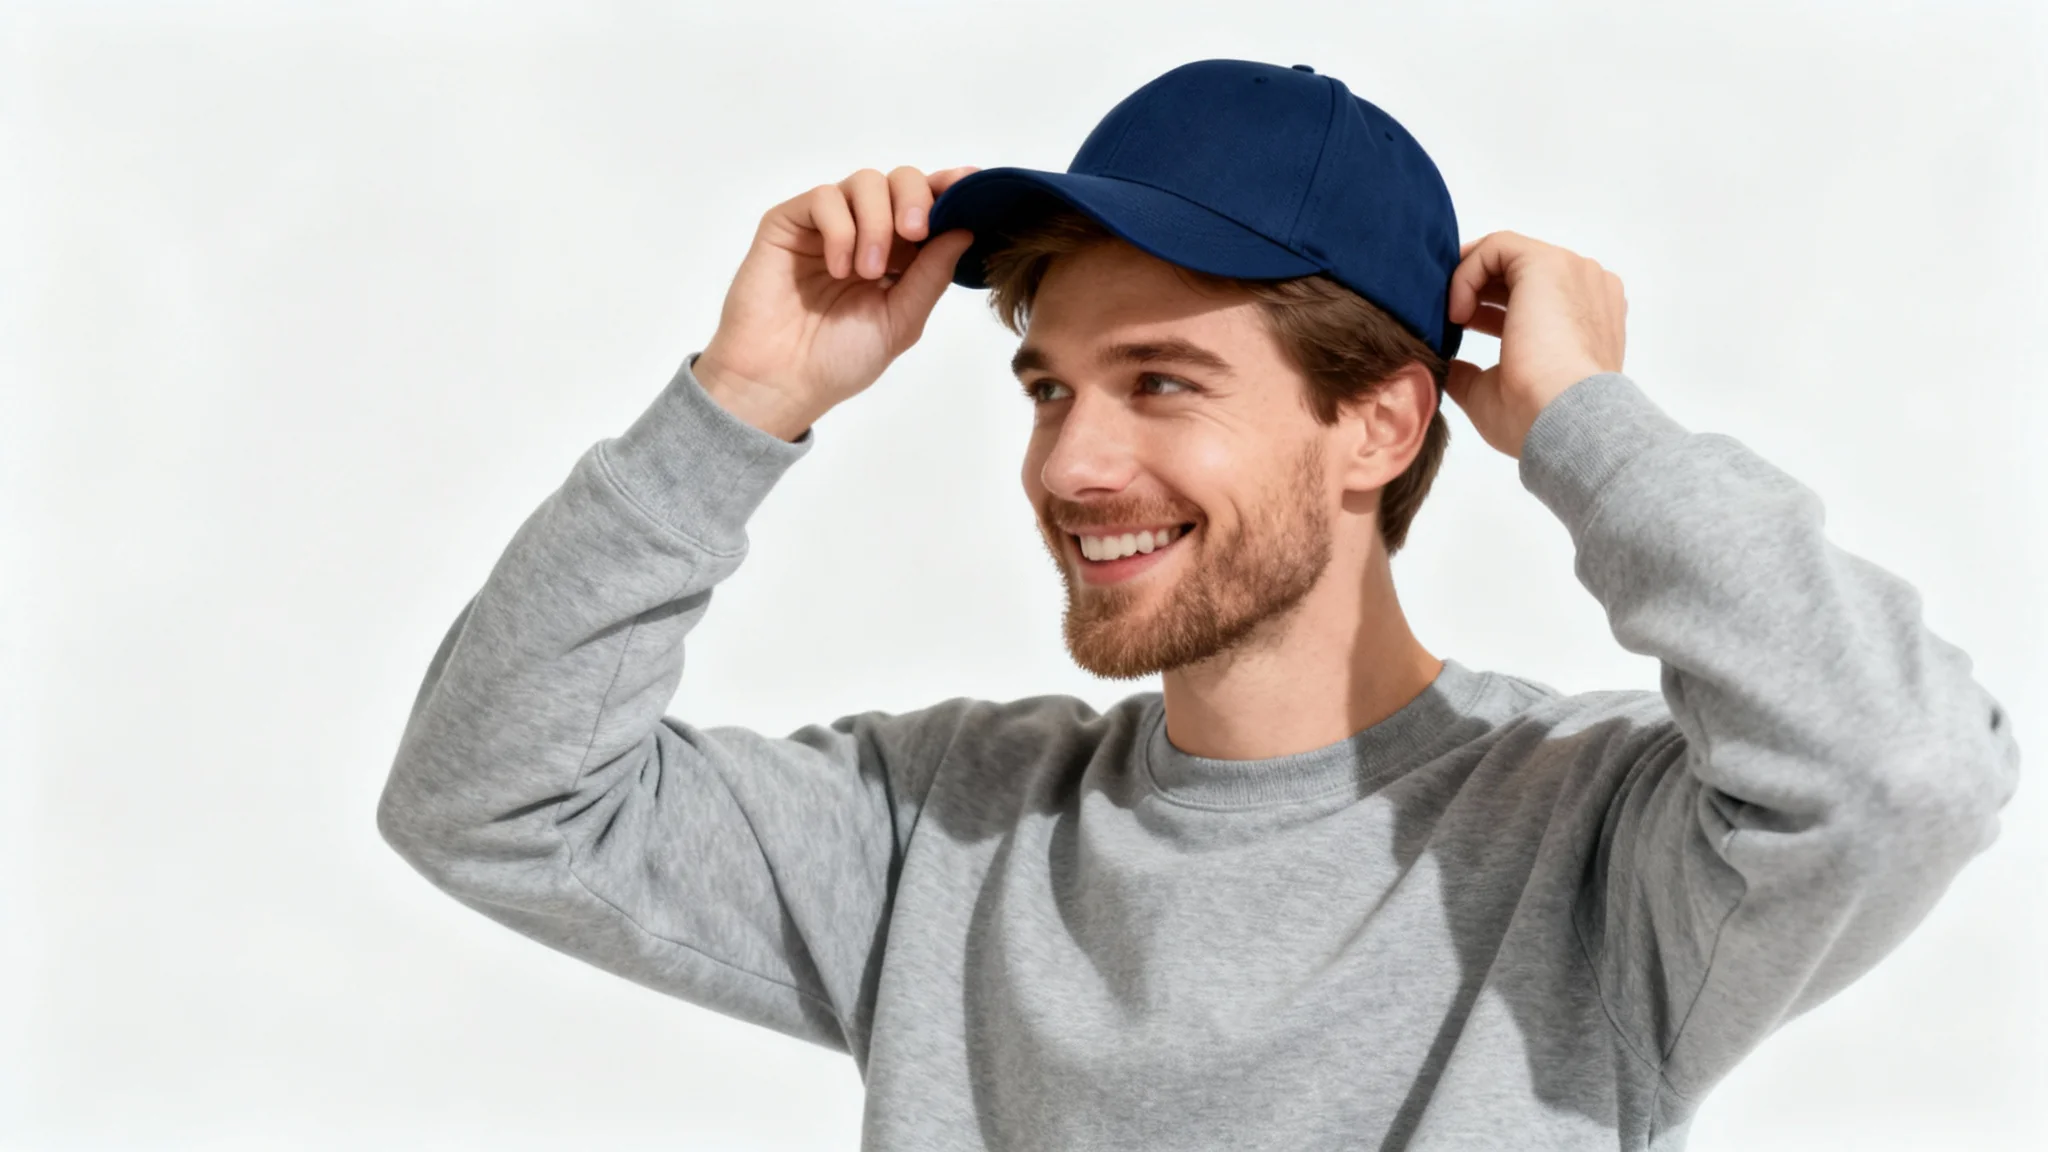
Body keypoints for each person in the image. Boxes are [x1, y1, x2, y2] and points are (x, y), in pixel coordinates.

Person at [376, 59, 2020, 1150]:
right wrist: (740, 401)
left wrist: (1586, 422)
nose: (1074, 463)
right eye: (1047, 388)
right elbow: (493, 802)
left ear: (1378, 420)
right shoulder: (941, 830)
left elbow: (1901, 774)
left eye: (1162, 383)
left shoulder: (1599, 844)